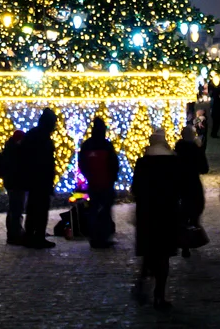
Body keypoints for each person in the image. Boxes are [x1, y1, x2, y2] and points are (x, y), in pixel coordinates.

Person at [131, 129, 184, 309]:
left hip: (147, 214)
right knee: (163, 257)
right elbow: (179, 189)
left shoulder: (142, 162)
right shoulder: (173, 163)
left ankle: (143, 285)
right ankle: (159, 295)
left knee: (149, 252)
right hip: (167, 214)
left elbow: (135, 189)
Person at [78, 116, 120, 248]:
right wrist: (112, 177)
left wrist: (89, 176)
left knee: (94, 209)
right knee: (105, 210)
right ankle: (104, 237)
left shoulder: (87, 145)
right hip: (106, 182)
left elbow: (82, 164)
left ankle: (94, 237)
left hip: (93, 182)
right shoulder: (107, 145)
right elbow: (114, 164)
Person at [18, 109, 58, 249]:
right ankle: (38, 236)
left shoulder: (32, 135)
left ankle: (30, 236)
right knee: (41, 209)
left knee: (32, 208)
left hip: (33, 179)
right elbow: (46, 162)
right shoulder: (44, 138)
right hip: (41, 179)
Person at [175, 125, 209, 256]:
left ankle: (185, 244)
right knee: (195, 211)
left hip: (180, 184)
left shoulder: (177, 149)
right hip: (193, 184)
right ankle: (192, 239)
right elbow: (204, 168)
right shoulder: (196, 149)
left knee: (183, 213)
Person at [0, 126, 28, 244]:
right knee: (16, 209)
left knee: (14, 208)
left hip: (12, 183)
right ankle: (15, 234)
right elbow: (17, 168)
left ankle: (13, 233)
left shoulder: (9, 150)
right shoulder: (15, 152)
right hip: (16, 183)